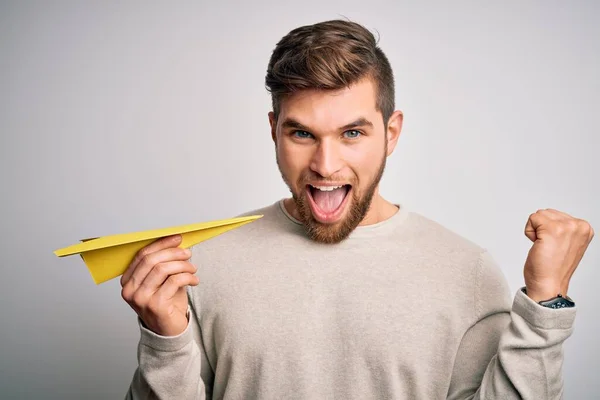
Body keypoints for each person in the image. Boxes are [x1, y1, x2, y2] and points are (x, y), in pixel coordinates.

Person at [121, 20, 594, 399]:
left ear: (391, 132)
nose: (326, 166)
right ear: (274, 130)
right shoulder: (204, 264)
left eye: (352, 133)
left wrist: (546, 301)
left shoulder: (466, 273)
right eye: (302, 133)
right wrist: (165, 343)